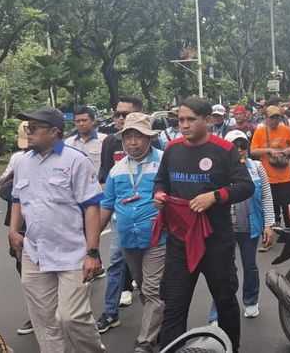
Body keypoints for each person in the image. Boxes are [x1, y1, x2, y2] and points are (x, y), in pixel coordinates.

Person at [153, 98, 254, 352]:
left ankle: (232, 347)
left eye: (190, 120)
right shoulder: (172, 149)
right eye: (180, 120)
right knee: (174, 304)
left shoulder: (223, 150)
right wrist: (159, 195)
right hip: (179, 243)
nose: (184, 125)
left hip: (216, 242)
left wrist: (215, 196)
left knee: (225, 300)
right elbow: (160, 182)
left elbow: (245, 186)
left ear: (207, 120)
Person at [9, 106, 105, 353]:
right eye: (26, 128)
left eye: (33, 128)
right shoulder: (21, 162)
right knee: (45, 320)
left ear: (54, 131)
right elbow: (17, 198)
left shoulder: (75, 161)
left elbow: (91, 208)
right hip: (35, 253)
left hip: (71, 253)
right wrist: (13, 230)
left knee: (72, 317)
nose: (27, 133)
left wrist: (92, 252)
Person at [99, 112, 165, 352]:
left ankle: (145, 342)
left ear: (149, 138)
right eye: (128, 137)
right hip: (128, 239)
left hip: (158, 237)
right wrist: (92, 241)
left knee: (151, 288)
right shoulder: (117, 170)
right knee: (142, 285)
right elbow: (107, 205)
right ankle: (159, 325)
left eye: (138, 136)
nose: (133, 142)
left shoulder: (164, 162)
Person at [208, 130, 274, 322]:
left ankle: (251, 301)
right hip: (224, 227)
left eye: (243, 146)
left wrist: (269, 224)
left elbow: (266, 196)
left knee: (250, 265)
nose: (239, 150)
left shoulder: (257, 166)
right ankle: (217, 312)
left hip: (249, 226)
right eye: (234, 147)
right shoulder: (218, 168)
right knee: (222, 269)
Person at [97, 97, 139, 322]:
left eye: (126, 114)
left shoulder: (156, 145)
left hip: (148, 219)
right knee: (115, 262)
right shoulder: (110, 142)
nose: (120, 119)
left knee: (150, 274)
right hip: (119, 215)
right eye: (117, 114)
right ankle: (110, 311)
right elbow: (104, 175)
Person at [0, 121, 34, 335]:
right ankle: (35, 314)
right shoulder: (18, 159)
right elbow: (6, 189)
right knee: (25, 271)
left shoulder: (65, 159)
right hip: (20, 221)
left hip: (46, 224)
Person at [251, 106, 290, 228]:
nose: (275, 120)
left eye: (277, 117)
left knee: (287, 204)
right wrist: (269, 150)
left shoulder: (286, 130)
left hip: (286, 176)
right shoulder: (259, 132)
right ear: (266, 118)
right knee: (271, 204)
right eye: (272, 118)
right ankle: (272, 227)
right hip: (268, 176)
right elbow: (253, 151)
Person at [66, 105, 106, 170]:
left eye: (84, 120)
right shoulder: (68, 143)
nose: (81, 124)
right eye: (78, 121)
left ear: (93, 121)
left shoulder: (104, 140)